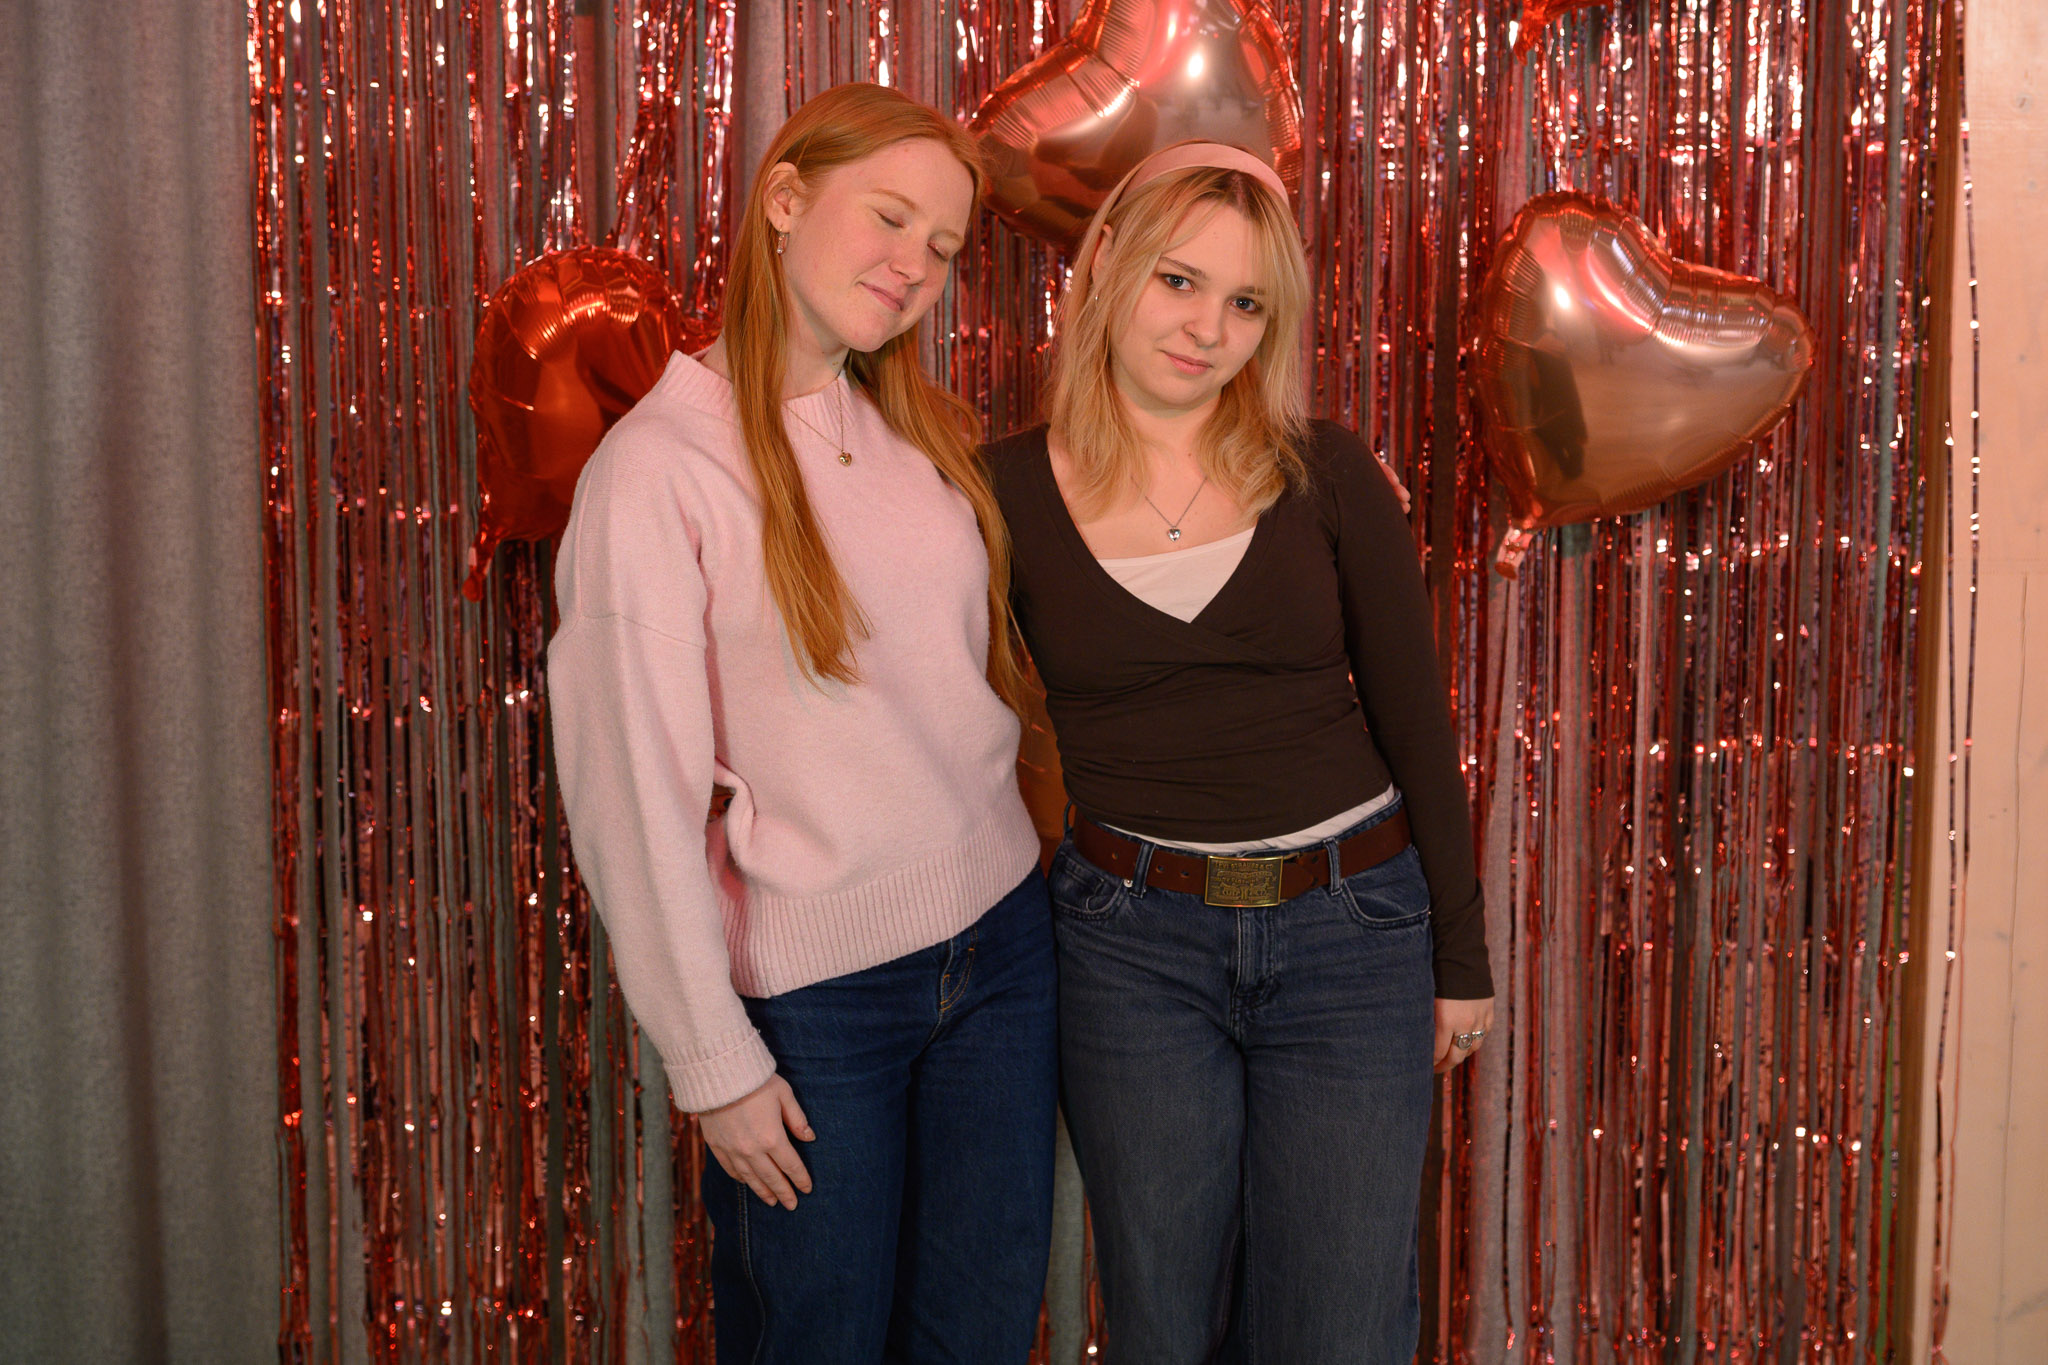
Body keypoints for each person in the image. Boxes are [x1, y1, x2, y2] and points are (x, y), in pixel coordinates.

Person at [548, 83, 1055, 1364]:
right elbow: (632, 795)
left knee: (980, 1336)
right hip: (821, 1005)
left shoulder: (916, 434)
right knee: (815, 1338)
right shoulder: (657, 472)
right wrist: (712, 1061)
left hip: (1002, 954)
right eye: (888, 217)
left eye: (942, 245)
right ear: (783, 199)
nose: (914, 265)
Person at [987, 142, 1496, 1363]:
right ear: (1107, 262)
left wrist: (1459, 957)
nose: (1206, 329)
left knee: (1337, 1325)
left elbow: (1415, 722)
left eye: (1246, 303)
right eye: (1179, 281)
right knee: (1163, 1323)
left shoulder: (1325, 472)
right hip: (1129, 948)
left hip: (1350, 932)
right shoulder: (995, 492)